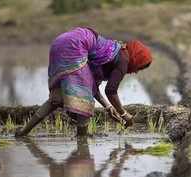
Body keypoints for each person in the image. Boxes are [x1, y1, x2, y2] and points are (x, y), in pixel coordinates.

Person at [15, 27, 152, 137]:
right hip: (76, 45)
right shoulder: (124, 60)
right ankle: (82, 140)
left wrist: (108, 108)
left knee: (56, 99)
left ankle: (23, 132)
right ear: (137, 58)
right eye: (140, 67)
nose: (136, 71)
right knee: (84, 103)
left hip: (60, 42)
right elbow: (110, 91)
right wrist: (124, 114)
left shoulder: (113, 51)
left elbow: (91, 86)